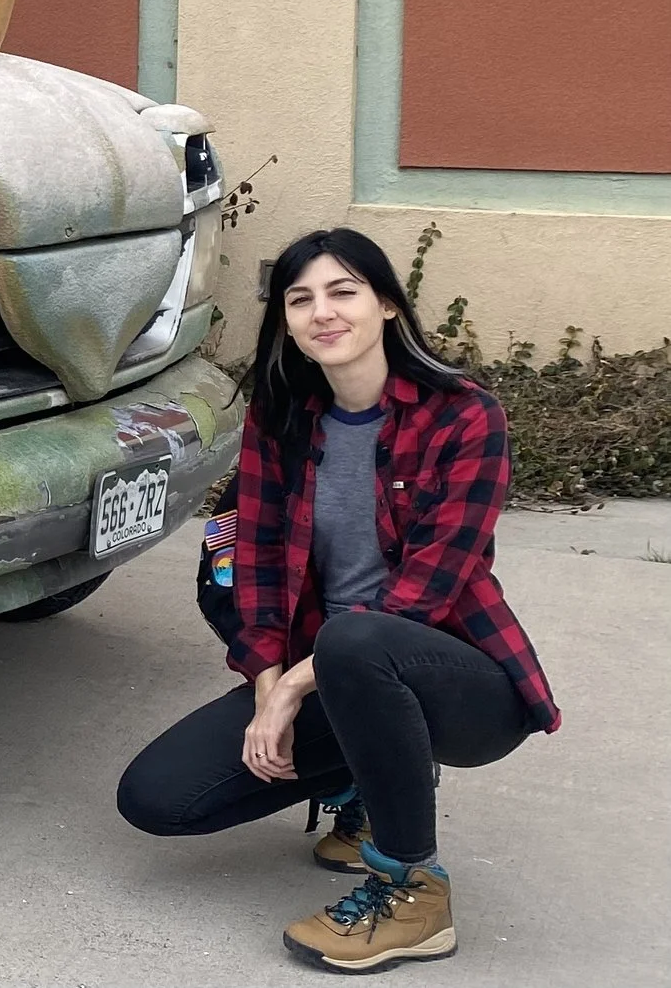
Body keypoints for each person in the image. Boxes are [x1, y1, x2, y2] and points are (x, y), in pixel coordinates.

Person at [116, 227, 560, 972]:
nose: (322, 311)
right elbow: (254, 555)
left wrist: (293, 684)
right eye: (301, 297)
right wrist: (265, 687)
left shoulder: (464, 415)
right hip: (341, 673)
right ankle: (363, 778)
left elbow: (421, 593)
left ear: (386, 303)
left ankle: (413, 888)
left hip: (461, 685)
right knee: (158, 797)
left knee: (357, 639)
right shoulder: (285, 414)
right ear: (285, 318)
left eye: (343, 290)